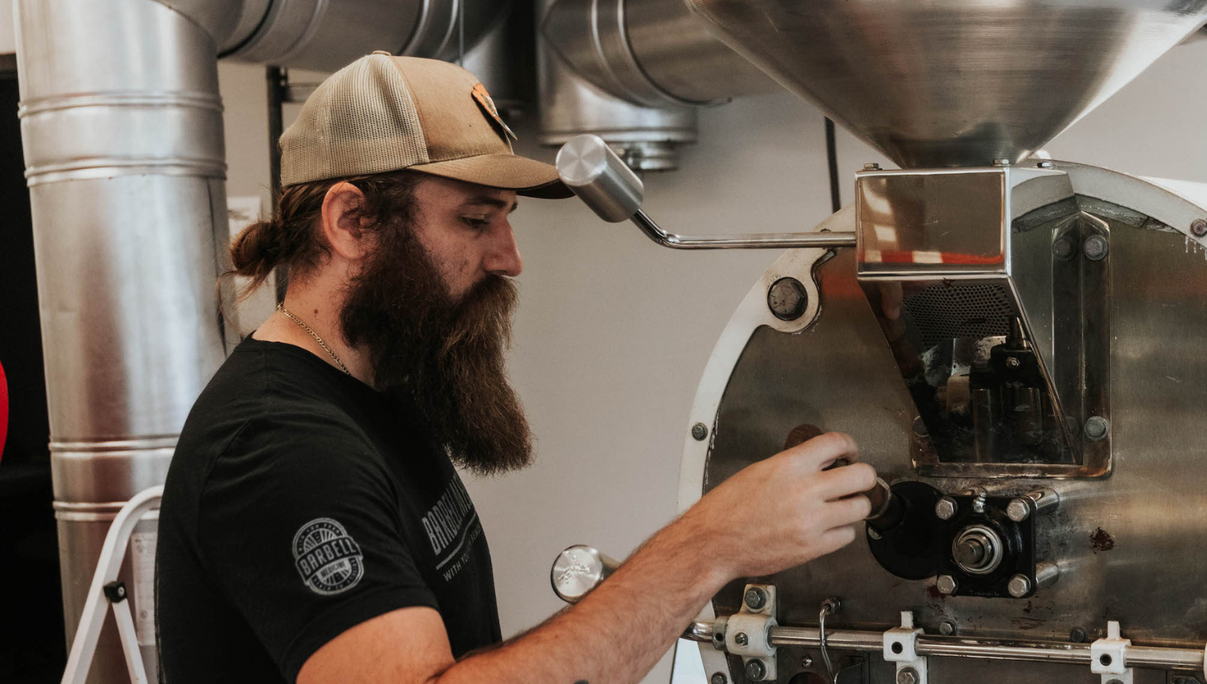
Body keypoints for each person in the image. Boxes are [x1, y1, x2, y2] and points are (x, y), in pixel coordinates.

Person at [156, 52, 875, 684]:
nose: (509, 258)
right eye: (475, 221)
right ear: (350, 222)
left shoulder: (379, 388)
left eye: (505, 218)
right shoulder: (278, 448)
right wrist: (711, 546)